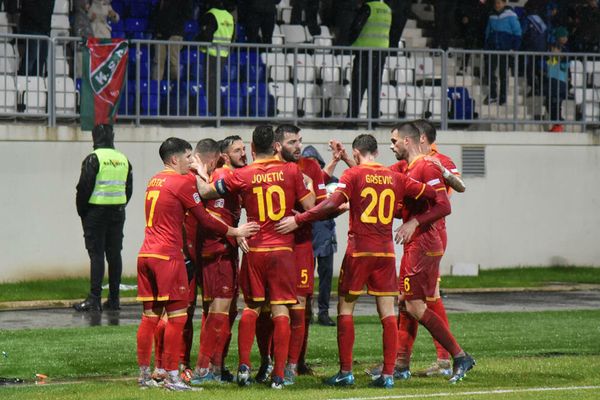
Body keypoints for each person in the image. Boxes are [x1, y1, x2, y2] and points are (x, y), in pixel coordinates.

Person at [276, 134, 445, 389]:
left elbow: (330, 204)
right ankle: (388, 375)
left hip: (359, 253)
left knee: (345, 310)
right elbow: (431, 193)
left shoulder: (353, 175)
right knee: (387, 313)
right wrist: (443, 174)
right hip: (386, 254)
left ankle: (346, 372)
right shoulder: (395, 177)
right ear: (375, 152)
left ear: (356, 153)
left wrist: (299, 219)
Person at [194, 125, 315, 389]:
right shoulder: (292, 171)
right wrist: (308, 187)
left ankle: (244, 366)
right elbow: (310, 207)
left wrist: (200, 173)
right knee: (281, 310)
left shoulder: (243, 174)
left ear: (251, 148)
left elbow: (205, 192)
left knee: (251, 308)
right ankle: (279, 375)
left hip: (255, 249)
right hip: (282, 251)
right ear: (276, 146)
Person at [135, 137, 258, 391]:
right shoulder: (182, 181)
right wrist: (235, 231)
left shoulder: (154, 180)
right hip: (168, 257)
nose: (192, 162)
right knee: (177, 318)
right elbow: (205, 218)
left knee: (150, 317)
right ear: (174, 159)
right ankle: (173, 377)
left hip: (146, 254)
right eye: (188, 157)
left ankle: (146, 375)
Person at [391, 122, 475, 385]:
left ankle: (458, 356)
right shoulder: (410, 167)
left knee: (416, 305)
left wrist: (414, 223)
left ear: (408, 140)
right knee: (406, 301)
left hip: (424, 243)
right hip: (417, 242)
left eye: (394, 141)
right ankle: (400, 364)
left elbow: (444, 205)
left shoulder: (428, 165)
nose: (391, 146)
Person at [272, 125, 327, 385]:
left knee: (299, 306)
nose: (298, 146)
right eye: (292, 142)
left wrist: (301, 218)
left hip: (302, 246)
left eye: (299, 141)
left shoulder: (311, 166)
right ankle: (269, 362)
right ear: (277, 145)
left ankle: (293, 364)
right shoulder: (267, 168)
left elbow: (320, 206)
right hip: (273, 245)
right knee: (268, 307)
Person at [190, 136, 247, 384]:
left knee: (222, 311)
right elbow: (213, 215)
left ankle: (216, 366)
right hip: (220, 251)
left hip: (222, 250)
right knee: (219, 312)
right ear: (223, 156)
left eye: (244, 149)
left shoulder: (224, 175)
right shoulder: (224, 175)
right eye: (238, 150)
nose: (243, 153)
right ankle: (204, 369)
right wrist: (235, 232)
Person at [74, 124, 132, 312]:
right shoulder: (123, 159)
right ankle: (114, 299)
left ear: (94, 138)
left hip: (96, 212)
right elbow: (128, 189)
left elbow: (84, 188)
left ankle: (94, 299)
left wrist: (83, 212)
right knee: (114, 254)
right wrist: (119, 205)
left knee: (97, 254)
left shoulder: (94, 158)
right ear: (112, 137)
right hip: (118, 211)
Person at [302, 145, 337, 327]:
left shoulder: (331, 182)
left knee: (325, 277)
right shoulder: (301, 182)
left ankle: (323, 312)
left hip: (325, 235)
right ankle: (306, 311)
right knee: (305, 278)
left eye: (313, 161)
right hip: (307, 235)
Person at [346, 0, 391, 126]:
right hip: (381, 52)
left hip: (365, 52)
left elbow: (356, 27)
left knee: (358, 87)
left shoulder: (368, 7)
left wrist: (349, 41)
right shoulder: (387, 9)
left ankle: (351, 121)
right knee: (375, 88)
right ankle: (373, 120)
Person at [198, 0, 235, 117]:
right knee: (215, 83)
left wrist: (196, 40)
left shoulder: (211, 14)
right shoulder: (229, 16)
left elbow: (206, 35)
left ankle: (214, 112)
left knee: (210, 84)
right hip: (224, 54)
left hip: (212, 53)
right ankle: (217, 111)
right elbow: (233, 36)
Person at [483, 0, 522, 105]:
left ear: (504, 3)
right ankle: (493, 94)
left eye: (499, 3)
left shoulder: (511, 15)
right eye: (496, 3)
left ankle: (503, 98)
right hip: (493, 49)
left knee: (503, 73)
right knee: (490, 71)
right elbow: (488, 32)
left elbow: (518, 32)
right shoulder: (491, 15)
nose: (497, 5)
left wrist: (514, 48)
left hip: (505, 49)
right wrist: (486, 46)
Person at [151, 0, 192, 81]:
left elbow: (187, 13)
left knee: (173, 61)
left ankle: (174, 85)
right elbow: (157, 15)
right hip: (160, 34)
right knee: (158, 62)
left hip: (175, 34)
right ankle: (155, 86)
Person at [17, 0, 54, 76]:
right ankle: (24, 80)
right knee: (32, 57)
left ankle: (36, 80)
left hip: (44, 29)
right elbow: (28, 8)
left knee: (41, 57)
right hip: (32, 28)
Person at [543, 28, 569, 133]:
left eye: (566, 36)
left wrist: (560, 58)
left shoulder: (565, 50)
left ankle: (558, 124)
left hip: (560, 80)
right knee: (550, 103)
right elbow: (550, 63)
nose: (565, 39)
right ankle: (558, 122)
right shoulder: (551, 47)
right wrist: (554, 57)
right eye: (563, 36)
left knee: (556, 103)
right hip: (553, 79)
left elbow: (565, 66)